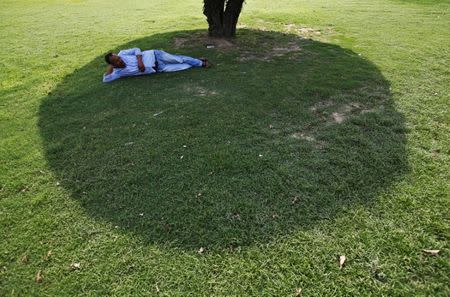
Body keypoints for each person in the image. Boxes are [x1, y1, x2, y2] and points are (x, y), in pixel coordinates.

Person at [103, 48, 210, 83]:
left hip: (156, 55)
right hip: (158, 69)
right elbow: (106, 79)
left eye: (119, 58)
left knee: (179, 59)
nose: (120, 60)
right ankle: (197, 61)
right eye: (117, 61)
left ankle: (201, 63)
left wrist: (140, 61)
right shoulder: (118, 72)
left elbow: (136, 49)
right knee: (182, 67)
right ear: (113, 64)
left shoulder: (122, 53)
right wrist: (111, 66)